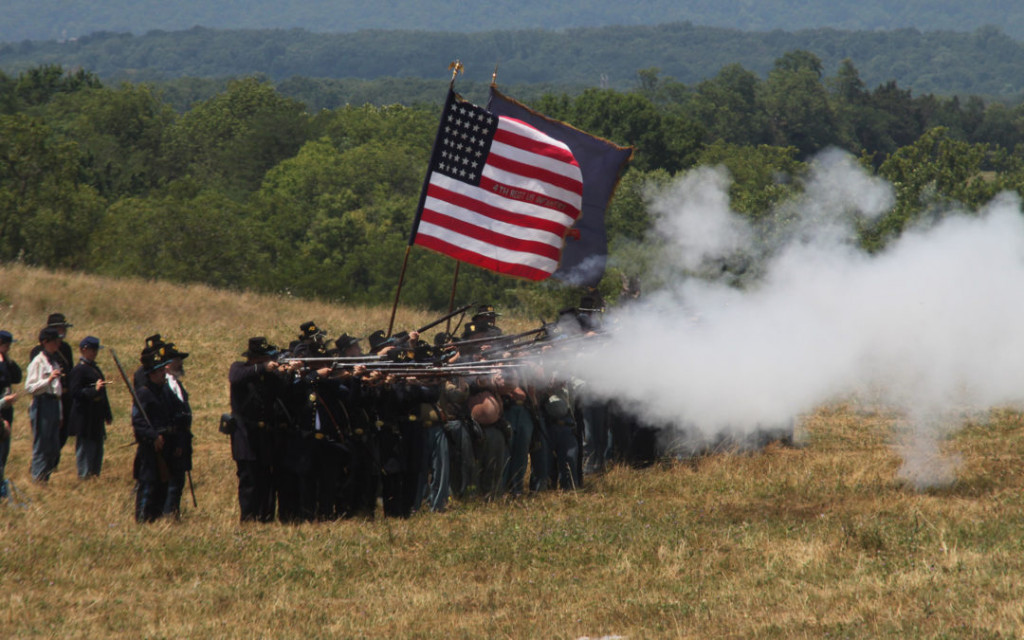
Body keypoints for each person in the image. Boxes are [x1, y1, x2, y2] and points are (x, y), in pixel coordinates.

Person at [228, 337, 290, 523]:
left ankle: (265, 516)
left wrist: (285, 373)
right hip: (246, 436)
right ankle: (248, 518)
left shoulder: (269, 376)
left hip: (265, 436)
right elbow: (236, 377)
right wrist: (263, 368)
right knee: (249, 480)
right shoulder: (239, 368)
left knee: (265, 479)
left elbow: (283, 393)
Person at [132, 346, 174, 522]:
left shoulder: (164, 391)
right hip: (150, 445)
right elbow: (138, 422)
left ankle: (156, 517)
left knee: (162, 484)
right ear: (151, 374)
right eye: (159, 371)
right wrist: (153, 436)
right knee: (148, 483)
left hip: (166, 442)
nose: (163, 373)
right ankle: (143, 518)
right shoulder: (144, 393)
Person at [66, 336, 113, 478]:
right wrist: (94, 390)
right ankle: (84, 476)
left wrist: (107, 413)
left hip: (96, 416)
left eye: (96, 350)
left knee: (97, 449)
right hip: (84, 417)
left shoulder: (94, 368)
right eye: (91, 350)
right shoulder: (79, 370)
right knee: (86, 449)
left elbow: (103, 394)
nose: (94, 353)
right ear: (83, 350)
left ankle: (94, 475)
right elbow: (75, 393)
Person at [25, 327, 64, 482]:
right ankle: (38, 478)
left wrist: (60, 413)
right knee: (42, 443)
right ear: (45, 342)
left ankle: (45, 475)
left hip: (54, 403)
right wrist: (47, 380)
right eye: (54, 341)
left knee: (53, 445)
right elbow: (30, 387)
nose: (57, 344)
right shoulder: (38, 362)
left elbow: (58, 390)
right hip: (42, 403)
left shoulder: (54, 361)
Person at [0, 330, 23, 498]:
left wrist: (8, 361)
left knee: (4, 450)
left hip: (6, 409)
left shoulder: (6, 362)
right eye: (5, 345)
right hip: (2, 406)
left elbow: (17, 377)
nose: (8, 348)